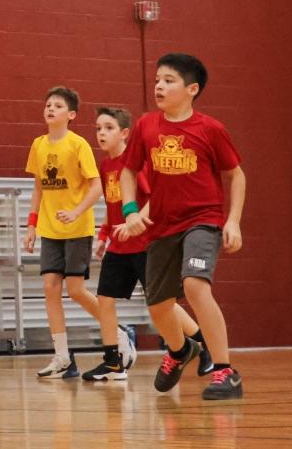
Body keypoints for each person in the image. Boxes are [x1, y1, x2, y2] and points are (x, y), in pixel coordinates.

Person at [118, 53, 245, 400]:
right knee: (158, 305)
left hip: (202, 221)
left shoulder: (210, 129)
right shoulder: (146, 126)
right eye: (158, 78)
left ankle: (224, 371)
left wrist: (232, 221)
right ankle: (179, 350)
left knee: (194, 285)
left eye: (169, 80)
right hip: (161, 226)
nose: (159, 84)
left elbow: (236, 175)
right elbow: (128, 171)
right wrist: (131, 211)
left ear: (192, 89)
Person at [83, 106, 211, 381]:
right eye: (98, 128)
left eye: (108, 128)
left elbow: (159, 199)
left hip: (146, 244)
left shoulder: (136, 165)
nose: (101, 133)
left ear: (125, 133)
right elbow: (112, 205)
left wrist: (136, 221)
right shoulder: (106, 166)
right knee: (104, 299)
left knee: (164, 304)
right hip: (119, 246)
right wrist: (104, 234)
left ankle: (204, 346)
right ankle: (113, 360)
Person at [23, 86, 109, 379]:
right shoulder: (38, 145)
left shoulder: (78, 144)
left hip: (77, 227)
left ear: (70, 115)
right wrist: (32, 225)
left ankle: (118, 335)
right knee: (50, 287)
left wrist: (76, 212)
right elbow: (38, 188)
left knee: (76, 290)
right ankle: (62, 356)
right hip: (50, 228)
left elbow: (97, 186)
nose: (50, 109)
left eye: (57, 106)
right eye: (48, 104)